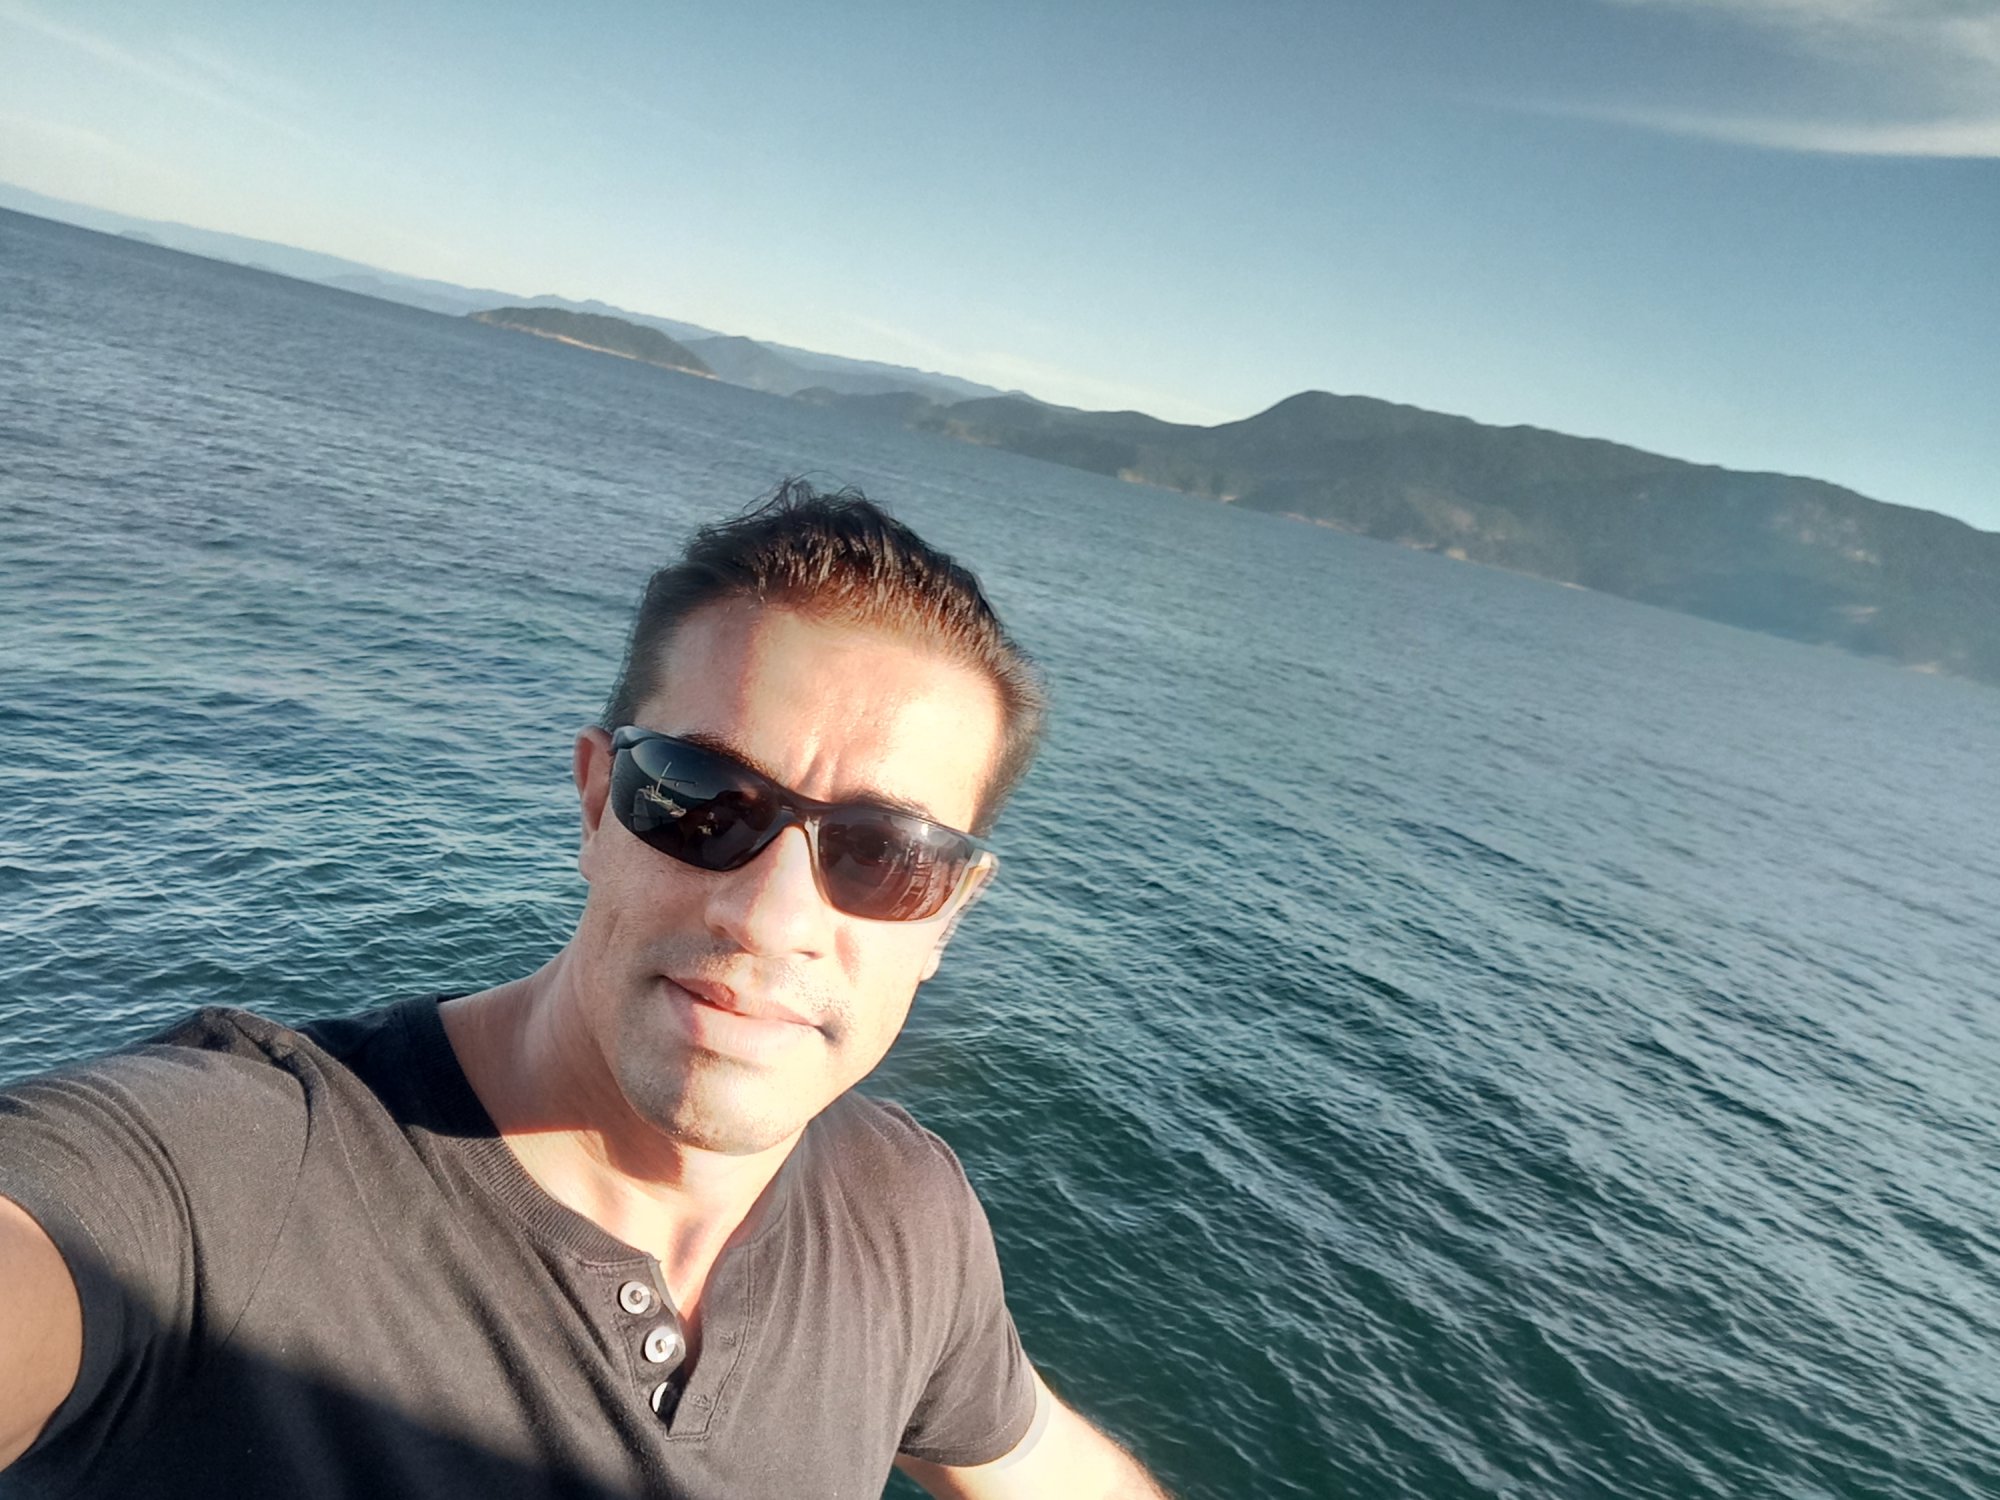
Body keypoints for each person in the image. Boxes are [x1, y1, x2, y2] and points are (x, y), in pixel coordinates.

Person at [0, 484, 1170, 1498]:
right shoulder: (235, 1179)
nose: (768, 917)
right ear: (597, 799)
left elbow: (1043, 1465)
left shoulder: (909, 1220)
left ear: (949, 910)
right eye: (701, 799)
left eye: (883, 855)